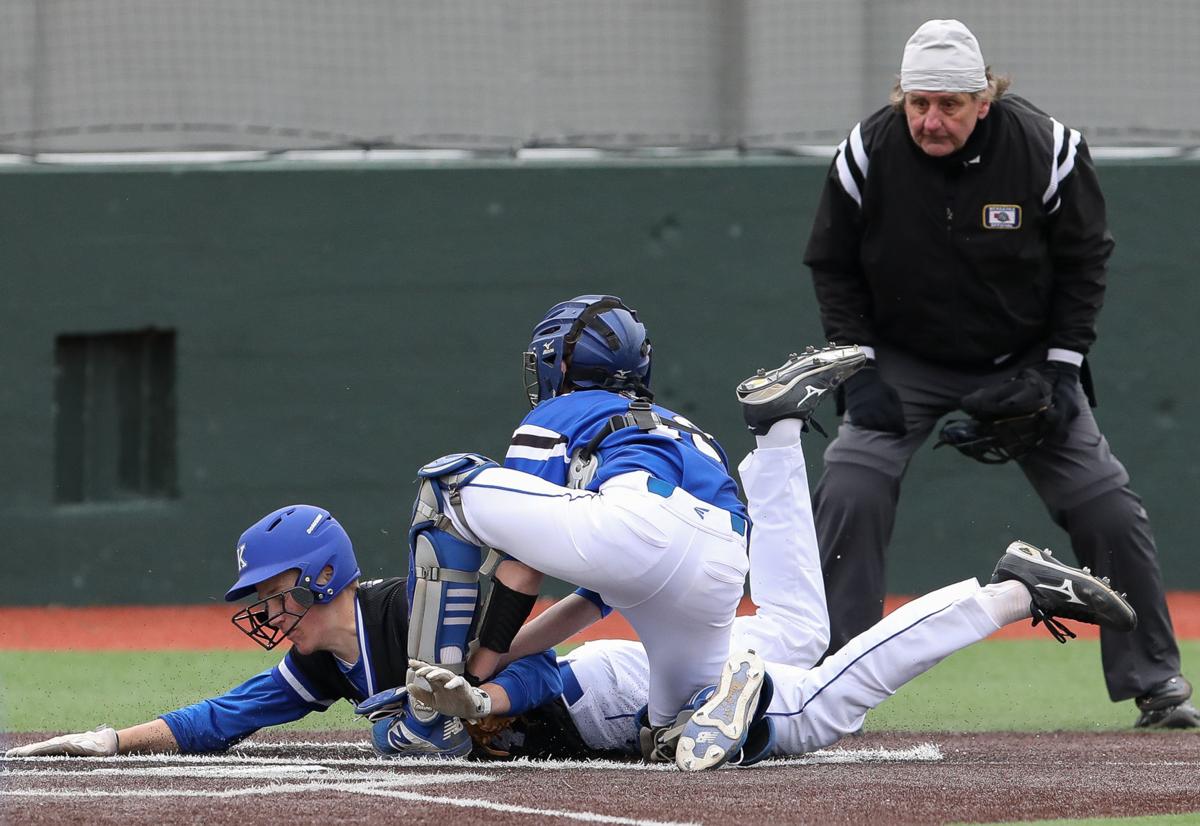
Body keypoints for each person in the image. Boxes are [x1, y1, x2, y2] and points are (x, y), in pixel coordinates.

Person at [398, 352, 1138, 762]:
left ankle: (1008, 595)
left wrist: (474, 685)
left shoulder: (561, 418)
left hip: (642, 667)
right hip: (700, 575)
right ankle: (779, 438)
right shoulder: (662, 427)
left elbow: (528, 671)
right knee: (799, 635)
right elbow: (580, 606)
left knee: (808, 712)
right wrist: (478, 677)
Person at [802, 18, 1196, 728]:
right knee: (851, 486)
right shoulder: (865, 154)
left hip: (1025, 362)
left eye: (950, 104)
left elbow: (1085, 262)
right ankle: (831, 679)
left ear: (985, 98)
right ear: (901, 97)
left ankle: (1157, 684)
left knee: (1107, 504)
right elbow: (832, 266)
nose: (931, 119)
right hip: (903, 360)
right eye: (918, 102)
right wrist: (856, 372)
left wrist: (1058, 373)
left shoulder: (1047, 151)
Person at [371, 294, 813, 771]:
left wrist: (476, 671)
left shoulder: (562, 412)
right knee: (667, 735)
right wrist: (497, 662)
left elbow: (523, 570)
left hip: (636, 525)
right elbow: (597, 597)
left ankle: (426, 721)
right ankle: (716, 696)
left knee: (445, 491)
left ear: (562, 361)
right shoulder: (689, 430)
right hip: (721, 561)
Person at [3, 504, 437, 757]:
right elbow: (223, 717)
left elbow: (506, 644)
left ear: (325, 573)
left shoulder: (413, 607)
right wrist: (111, 741)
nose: (267, 614)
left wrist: (489, 706)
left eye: (275, 593)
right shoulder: (319, 661)